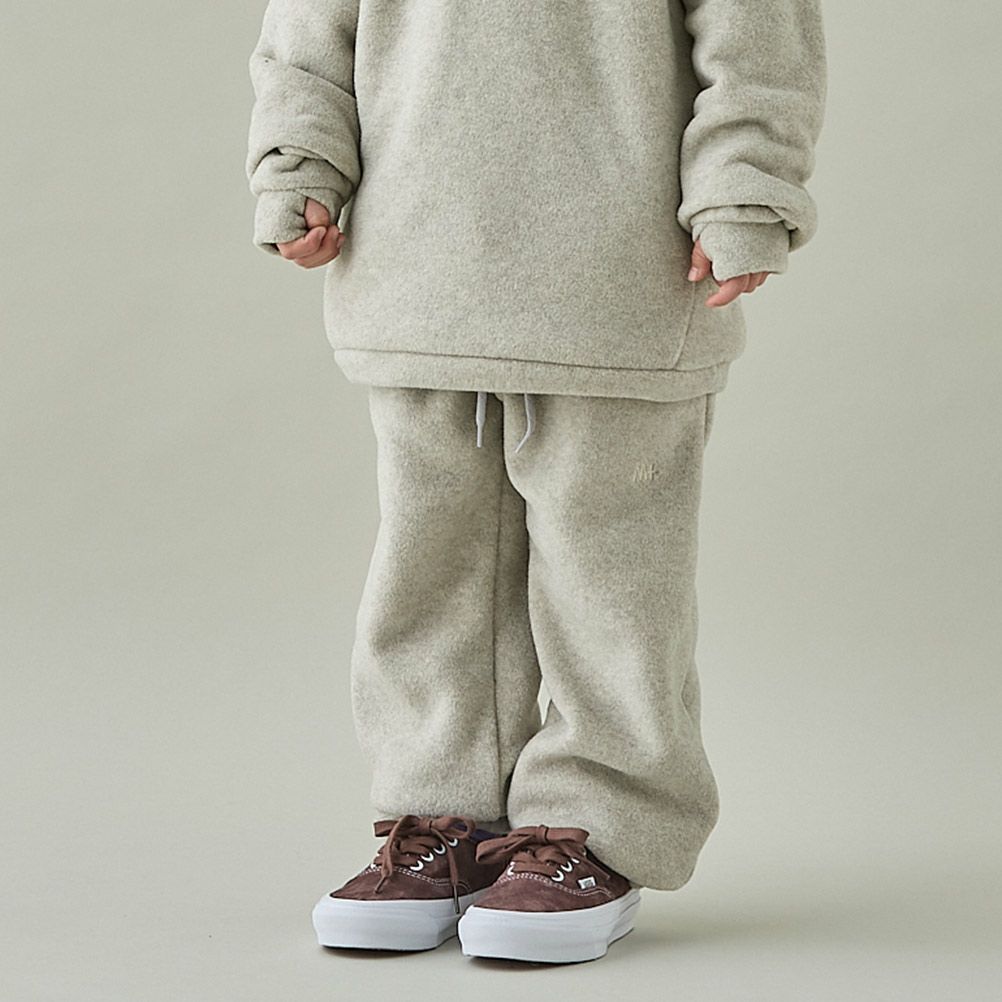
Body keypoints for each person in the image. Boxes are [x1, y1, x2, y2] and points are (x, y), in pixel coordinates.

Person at [245, 0, 826, 965]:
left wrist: (746, 192)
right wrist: (298, 167)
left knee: (612, 587)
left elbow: (758, 37)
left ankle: (594, 830)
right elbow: (306, 39)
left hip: (623, 274)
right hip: (418, 268)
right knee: (428, 574)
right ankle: (442, 817)